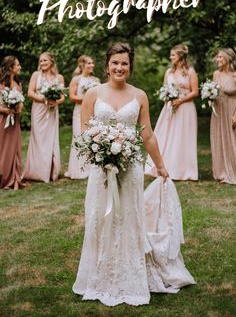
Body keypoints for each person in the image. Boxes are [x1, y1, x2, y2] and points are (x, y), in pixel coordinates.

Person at [72, 42, 195, 306]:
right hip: (101, 170)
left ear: (130, 66)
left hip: (131, 169)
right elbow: (83, 132)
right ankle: (98, 275)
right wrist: (101, 150)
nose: (119, 67)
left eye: (124, 63)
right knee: (99, 218)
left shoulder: (139, 95)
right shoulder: (93, 94)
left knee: (128, 218)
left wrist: (160, 165)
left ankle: (129, 275)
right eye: (115, 62)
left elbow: (147, 133)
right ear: (107, 65)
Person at [145, 44, 199, 181]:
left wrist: (180, 100)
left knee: (183, 137)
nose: (170, 57)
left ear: (180, 56)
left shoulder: (190, 72)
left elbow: (195, 92)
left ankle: (183, 170)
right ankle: (163, 166)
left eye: (173, 55)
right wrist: (167, 98)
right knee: (165, 136)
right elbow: (164, 88)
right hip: (169, 108)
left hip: (185, 109)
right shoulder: (168, 72)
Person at [23, 52, 64, 183]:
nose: (42, 63)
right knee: (39, 139)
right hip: (39, 110)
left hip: (52, 111)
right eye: (40, 61)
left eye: (45, 60)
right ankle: (37, 172)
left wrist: (55, 102)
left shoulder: (59, 77)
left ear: (51, 61)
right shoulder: (36, 75)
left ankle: (51, 171)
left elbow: (63, 97)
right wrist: (44, 99)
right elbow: (30, 93)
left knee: (50, 139)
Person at [65, 55, 100, 179]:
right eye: (89, 63)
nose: (92, 65)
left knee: (93, 137)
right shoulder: (76, 79)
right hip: (79, 112)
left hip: (94, 113)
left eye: (92, 63)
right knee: (79, 136)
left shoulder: (96, 80)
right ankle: (78, 170)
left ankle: (92, 168)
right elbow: (72, 97)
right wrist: (87, 99)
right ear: (82, 65)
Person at [210, 48, 236, 184]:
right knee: (219, 139)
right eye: (217, 57)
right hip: (219, 111)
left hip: (232, 109)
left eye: (220, 57)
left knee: (233, 141)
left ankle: (233, 170)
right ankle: (221, 172)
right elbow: (214, 91)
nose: (218, 60)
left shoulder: (235, 74)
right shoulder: (216, 74)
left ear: (228, 59)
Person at [0, 56, 24, 190]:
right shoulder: (0, 84)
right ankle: (3, 178)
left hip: (14, 121)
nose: (20, 67)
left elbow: (21, 102)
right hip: (2, 121)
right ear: (10, 68)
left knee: (15, 149)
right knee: (3, 149)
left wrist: (18, 107)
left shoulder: (18, 84)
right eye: (18, 65)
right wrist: (5, 109)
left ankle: (15, 179)